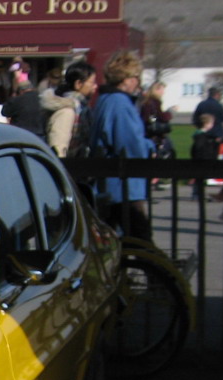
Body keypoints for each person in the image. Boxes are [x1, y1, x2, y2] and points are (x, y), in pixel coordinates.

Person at [90, 50, 155, 241]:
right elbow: (130, 144)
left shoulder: (105, 100)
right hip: (122, 184)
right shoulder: (119, 103)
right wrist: (150, 147)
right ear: (125, 78)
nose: (137, 82)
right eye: (135, 77)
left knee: (116, 240)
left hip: (109, 183)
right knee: (140, 238)